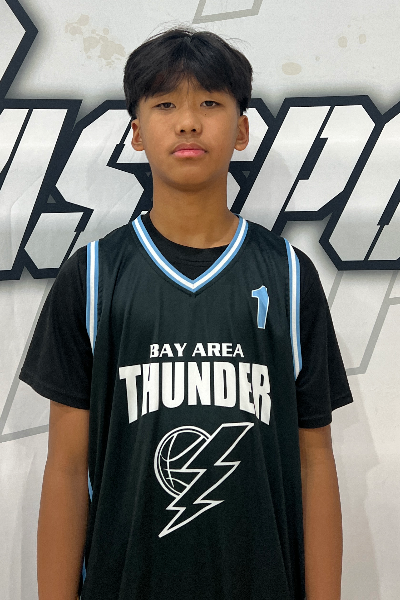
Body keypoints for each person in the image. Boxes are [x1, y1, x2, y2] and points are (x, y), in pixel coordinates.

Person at [20, 27, 353, 600]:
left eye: (211, 104)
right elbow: (67, 468)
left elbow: (315, 462)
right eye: (165, 104)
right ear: (136, 132)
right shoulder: (93, 276)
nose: (189, 123)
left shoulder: (290, 275)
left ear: (242, 130)